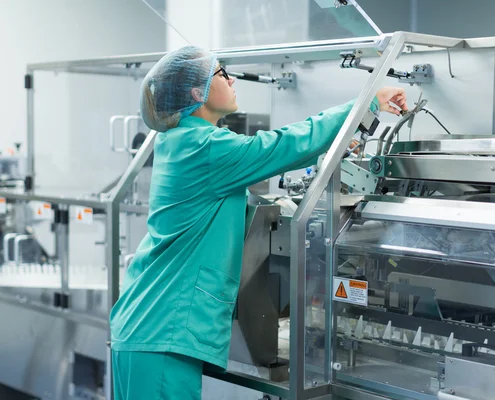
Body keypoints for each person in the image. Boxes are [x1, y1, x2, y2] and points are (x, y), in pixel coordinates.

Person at [109, 45, 407, 399]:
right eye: (221, 73)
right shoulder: (205, 147)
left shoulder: (183, 140)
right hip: (161, 331)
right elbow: (285, 146)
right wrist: (367, 104)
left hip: (149, 325)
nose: (232, 79)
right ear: (196, 92)